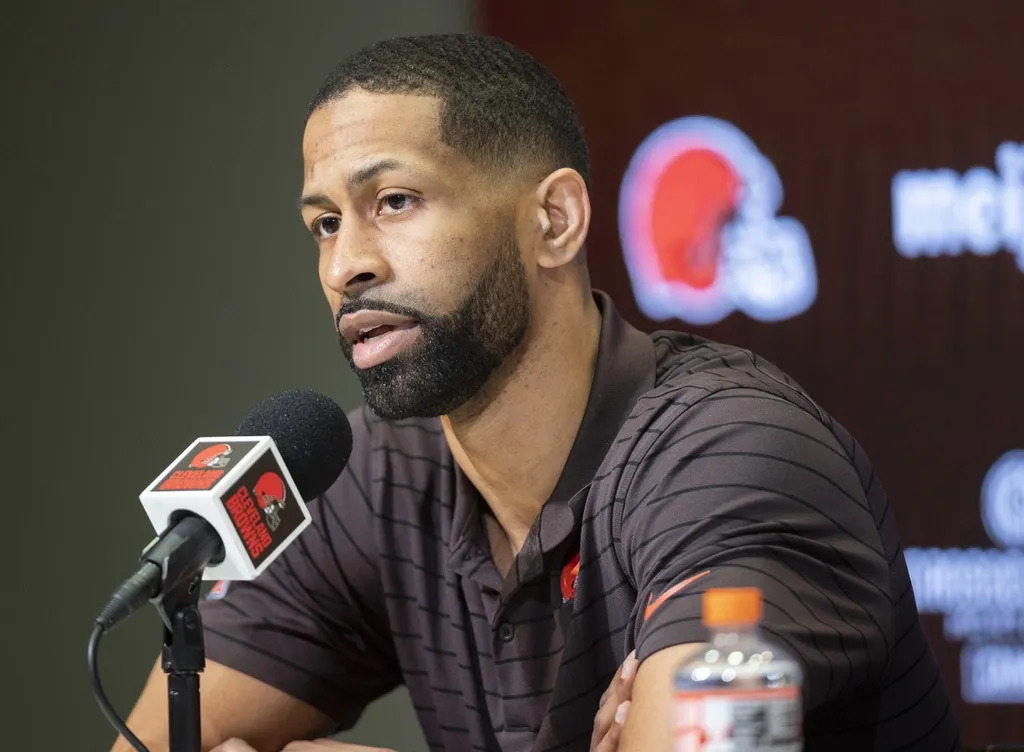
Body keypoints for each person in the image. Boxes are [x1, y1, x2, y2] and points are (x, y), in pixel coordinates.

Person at [113, 33, 962, 752]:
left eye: (395, 201)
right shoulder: (373, 475)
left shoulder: (731, 452)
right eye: (326, 224)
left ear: (554, 221)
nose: (345, 266)